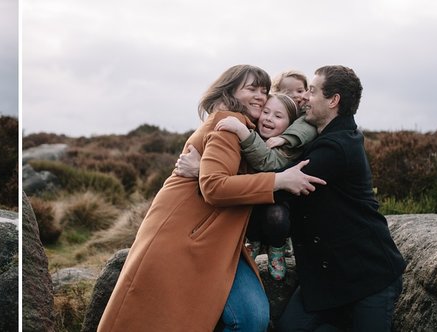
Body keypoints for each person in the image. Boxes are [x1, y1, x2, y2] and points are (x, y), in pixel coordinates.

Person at [97, 64, 325, 332]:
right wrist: (279, 181)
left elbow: (232, 174)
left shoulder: (250, 132)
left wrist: (201, 167)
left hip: (218, 239)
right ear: (229, 91)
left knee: (251, 317)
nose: (260, 96)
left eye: (264, 90)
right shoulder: (228, 123)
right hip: (186, 235)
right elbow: (215, 187)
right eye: (251, 89)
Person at [274, 65, 406, 331]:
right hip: (326, 279)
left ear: (333, 100)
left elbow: (278, 184)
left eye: (312, 91)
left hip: (369, 277)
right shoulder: (329, 136)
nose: (305, 98)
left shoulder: (337, 147)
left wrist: (212, 174)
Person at [209, 93, 304, 280]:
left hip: (277, 208)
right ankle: (253, 242)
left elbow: (267, 162)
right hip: (251, 204)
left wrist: (243, 133)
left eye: (278, 116)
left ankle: (277, 247)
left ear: (290, 125)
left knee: (276, 216)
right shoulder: (252, 135)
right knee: (243, 209)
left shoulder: (288, 148)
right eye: (266, 112)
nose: (269, 118)